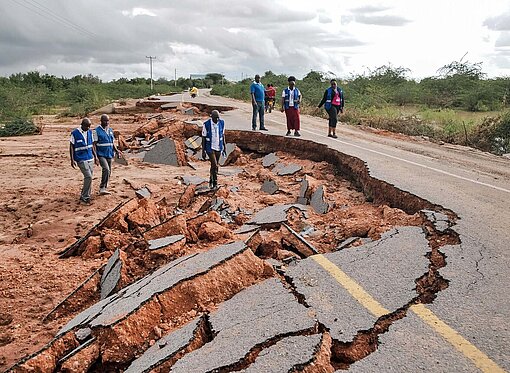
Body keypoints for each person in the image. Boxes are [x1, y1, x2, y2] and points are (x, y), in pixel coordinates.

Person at [69, 117, 98, 204]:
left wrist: (95, 157)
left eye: (89, 126)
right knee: (88, 176)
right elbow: (71, 146)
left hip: (90, 158)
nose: (88, 128)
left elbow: (92, 145)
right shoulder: (75, 133)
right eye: (87, 126)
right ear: (82, 125)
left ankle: (85, 195)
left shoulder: (90, 132)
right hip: (80, 158)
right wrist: (72, 159)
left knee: (89, 178)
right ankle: (85, 196)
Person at [93, 114, 121, 195]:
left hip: (109, 153)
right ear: (101, 121)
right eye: (105, 121)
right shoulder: (96, 131)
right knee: (106, 169)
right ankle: (102, 187)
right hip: (101, 154)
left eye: (108, 121)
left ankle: (105, 186)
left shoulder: (110, 130)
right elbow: (94, 144)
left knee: (109, 171)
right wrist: (95, 157)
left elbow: (112, 143)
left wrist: (117, 151)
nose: (107, 122)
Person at [202, 110, 226, 189]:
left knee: (214, 166)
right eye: (216, 118)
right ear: (212, 117)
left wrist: (224, 147)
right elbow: (203, 138)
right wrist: (203, 151)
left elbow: (223, 135)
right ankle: (215, 182)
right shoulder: (206, 124)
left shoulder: (221, 123)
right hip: (210, 147)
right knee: (215, 164)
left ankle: (211, 180)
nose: (217, 120)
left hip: (218, 147)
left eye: (218, 118)